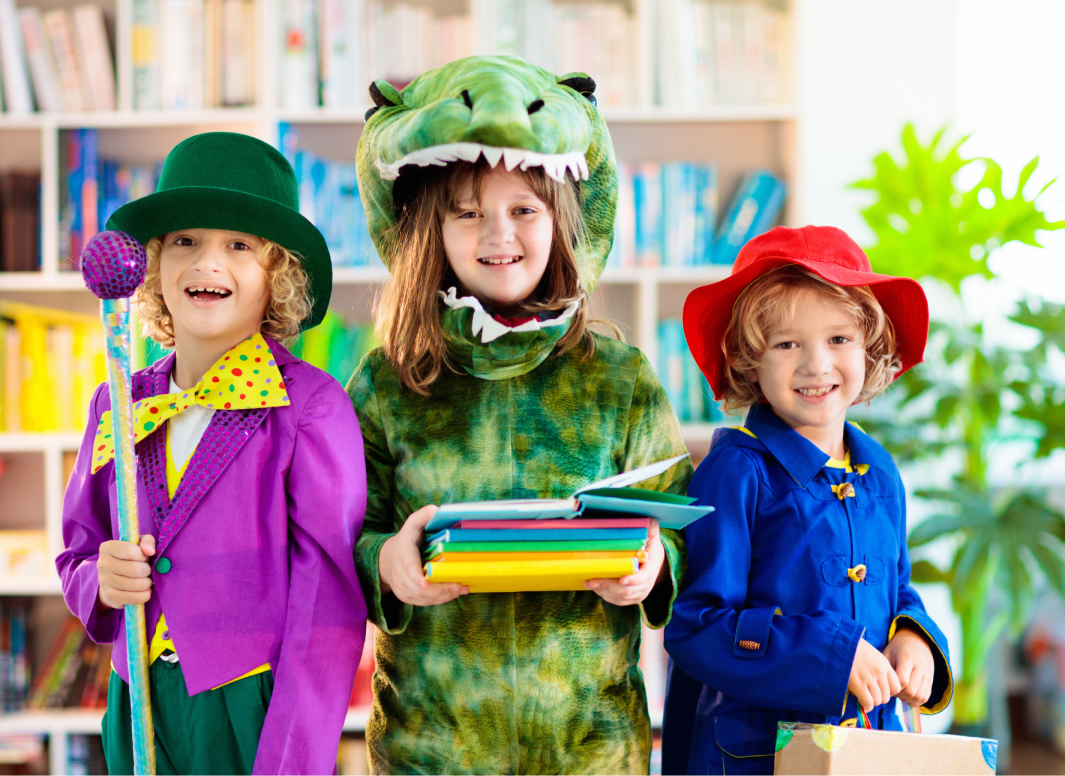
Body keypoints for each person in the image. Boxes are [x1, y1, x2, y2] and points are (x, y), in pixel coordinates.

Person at [349, 56, 691, 774]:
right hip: (431, 748)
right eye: (467, 211)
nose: (496, 234)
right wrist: (387, 563)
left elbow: (680, 522)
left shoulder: (620, 378)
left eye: (523, 210)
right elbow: (340, 534)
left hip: (591, 747)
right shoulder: (385, 381)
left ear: (561, 220)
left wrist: (654, 565)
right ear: (429, 230)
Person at [56, 132, 367, 775]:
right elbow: (78, 551)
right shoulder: (116, 402)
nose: (208, 263)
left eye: (239, 245)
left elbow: (328, 610)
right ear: (153, 265)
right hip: (137, 702)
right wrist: (100, 582)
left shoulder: (310, 408)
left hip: (250, 705)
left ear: (277, 275)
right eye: (185, 241)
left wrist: (289, 761)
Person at [662, 225, 952, 775]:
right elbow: (696, 625)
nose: (816, 365)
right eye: (787, 343)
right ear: (750, 360)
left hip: (870, 748)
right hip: (753, 756)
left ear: (871, 349)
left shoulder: (880, 474)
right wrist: (829, 655)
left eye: (839, 340)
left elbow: (898, 589)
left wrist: (915, 637)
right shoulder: (735, 472)